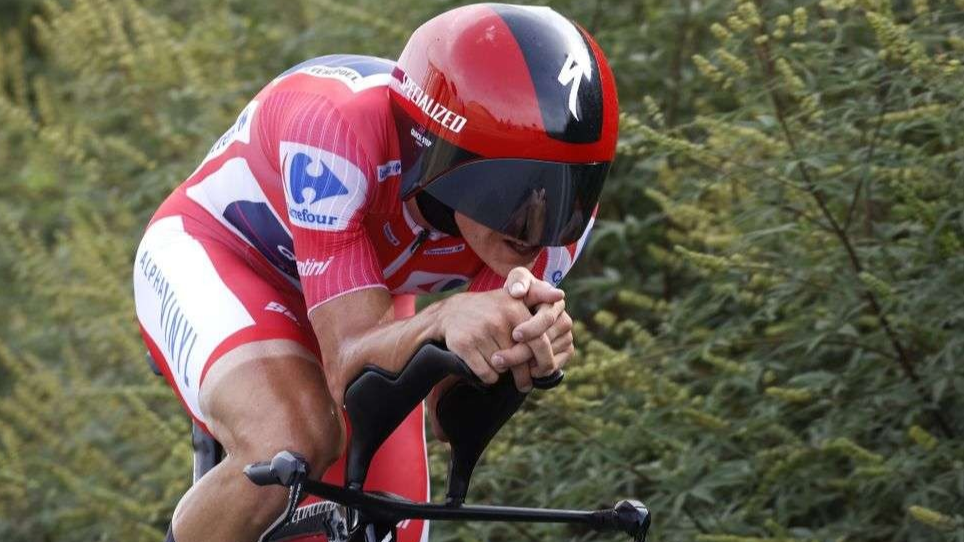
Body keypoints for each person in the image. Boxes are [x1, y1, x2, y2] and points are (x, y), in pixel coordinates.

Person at [132, 3, 618, 542]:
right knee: (292, 440)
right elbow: (348, 363)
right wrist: (447, 318)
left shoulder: (560, 224)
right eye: (514, 192)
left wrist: (515, 357)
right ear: (444, 154)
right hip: (221, 254)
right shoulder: (337, 130)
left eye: (566, 194)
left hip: (361, 290)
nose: (539, 227)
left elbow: (446, 409)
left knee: (394, 526)